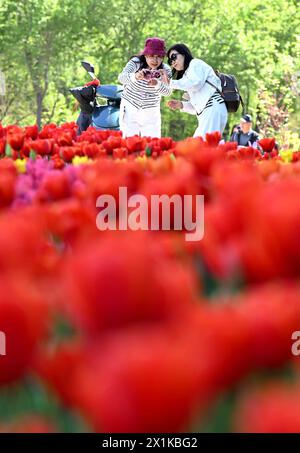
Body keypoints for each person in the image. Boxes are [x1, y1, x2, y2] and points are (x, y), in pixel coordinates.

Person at [164, 43, 228, 139]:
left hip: (212, 107)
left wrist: (171, 83)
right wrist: (181, 105)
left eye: (174, 57)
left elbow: (195, 84)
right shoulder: (188, 75)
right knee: (204, 148)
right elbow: (197, 107)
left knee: (201, 147)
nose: (172, 62)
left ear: (184, 53)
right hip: (208, 112)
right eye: (170, 60)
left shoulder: (195, 63)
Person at [117, 37, 172, 138]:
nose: (155, 60)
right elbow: (121, 78)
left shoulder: (165, 70)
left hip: (151, 111)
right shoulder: (136, 62)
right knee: (128, 142)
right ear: (145, 54)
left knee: (152, 144)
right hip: (130, 107)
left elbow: (168, 92)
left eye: (159, 56)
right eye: (151, 56)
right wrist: (136, 76)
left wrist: (157, 84)